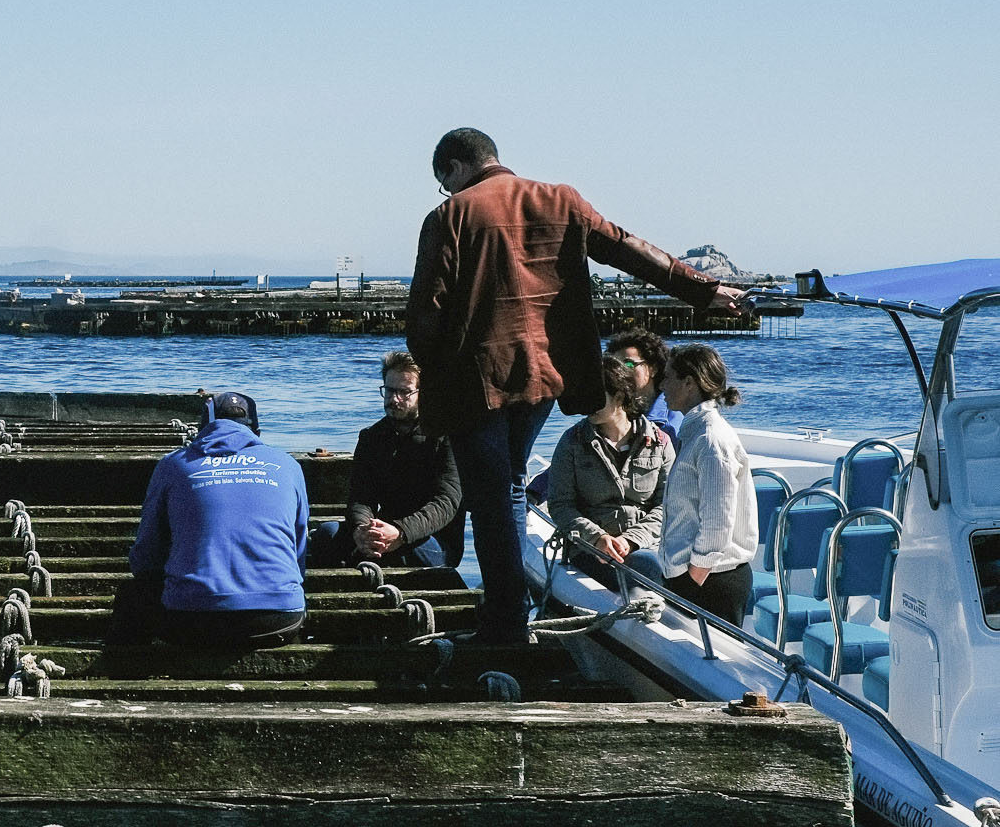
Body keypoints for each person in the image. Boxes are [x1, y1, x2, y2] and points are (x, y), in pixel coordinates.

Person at [407, 127, 746, 644]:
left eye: (444, 182)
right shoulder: (560, 199)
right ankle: (509, 613)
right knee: (511, 482)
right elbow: (629, 249)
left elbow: (424, 318)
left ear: (454, 168)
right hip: (548, 375)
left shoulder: (450, 216)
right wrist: (700, 290)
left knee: (493, 491)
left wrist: (433, 380)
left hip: (481, 379)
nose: (448, 192)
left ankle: (503, 621)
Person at [108, 392, 310, 648]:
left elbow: (146, 556)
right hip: (279, 621)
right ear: (256, 431)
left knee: (134, 595)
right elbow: (299, 550)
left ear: (202, 430)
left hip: (192, 621)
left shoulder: (173, 464)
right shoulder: (287, 465)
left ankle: (124, 673)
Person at [309, 352, 460, 568]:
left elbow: (447, 503)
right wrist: (362, 529)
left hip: (430, 540)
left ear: (423, 393)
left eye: (404, 392)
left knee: (407, 554)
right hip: (381, 531)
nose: (393, 399)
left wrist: (401, 533)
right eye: (389, 390)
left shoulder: (446, 437)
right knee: (326, 535)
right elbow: (361, 497)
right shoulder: (372, 437)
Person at [546, 356, 676, 589]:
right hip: (588, 550)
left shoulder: (659, 442)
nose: (586, 405)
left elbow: (668, 505)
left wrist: (631, 540)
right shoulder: (572, 443)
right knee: (648, 571)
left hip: (646, 547)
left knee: (654, 567)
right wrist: (597, 538)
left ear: (619, 396)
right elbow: (560, 505)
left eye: (594, 398)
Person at [657, 343, 760, 622]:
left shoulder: (711, 439)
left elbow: (718, 517)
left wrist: (693, 578)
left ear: (689, 382)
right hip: (699, 576)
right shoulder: (697, 433)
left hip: (710, 581)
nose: (661, 385)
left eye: (667, 377)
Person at [606, 327, 683, 443]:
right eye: (615, 365)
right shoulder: (609, 415)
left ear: (653, 369)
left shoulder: (673, 418)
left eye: (628, 364)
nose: (620, 371)